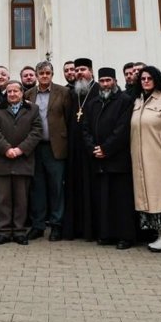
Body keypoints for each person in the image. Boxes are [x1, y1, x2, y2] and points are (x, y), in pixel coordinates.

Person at [83, 67, 136, 249]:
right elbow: (86, 128)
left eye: (108, 81)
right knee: (103, 199)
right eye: (102, 81)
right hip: (99, 159)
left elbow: (122, 129)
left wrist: (106, 148)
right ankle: (105, 234)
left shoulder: (125, 101)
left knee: (120, 200)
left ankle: (125, 237)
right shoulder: (93, 103)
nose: (105, 84)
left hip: (117, 159)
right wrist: (93, 148)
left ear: (115, 81)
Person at [130, 65, 161, 252]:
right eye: (142, 79)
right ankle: (157, 233)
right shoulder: (138, 101)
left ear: (157, 79)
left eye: (149, 78)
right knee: (148, 196)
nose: (146, 81)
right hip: (141, 159)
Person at [0, 81, 42, 245]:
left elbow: (37, 131)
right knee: (3, 199)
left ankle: (19, 231)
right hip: (2, 159)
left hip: (23, 160)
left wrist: (20, 150)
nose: (12, 94)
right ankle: (3, 231)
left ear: (21, 93)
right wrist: (6, 149)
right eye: (9, 91)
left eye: (15, 91)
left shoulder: (33, 109)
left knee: (21, 198)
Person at [27, 61, 69, 241]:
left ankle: (56, 225)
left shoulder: (63, 92)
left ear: (52, 74)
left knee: (56, 187)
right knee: (38, 188)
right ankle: (38, 225)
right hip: (35, 147)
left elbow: (68, 119)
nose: (44, 76)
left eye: (48, 73)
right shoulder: (28, 94)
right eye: (41, 73)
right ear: (36, 75)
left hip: (56, 147)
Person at [62, 57, 99, 241]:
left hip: (92, 150)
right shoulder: (72, 93)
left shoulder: (99, 90)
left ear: (91, 71)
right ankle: (75, 228)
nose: (78, 73)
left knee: (91, 189)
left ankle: (92, 230)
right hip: (74, 150)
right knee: (74, 188)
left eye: (82, 69)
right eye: (76, 70)